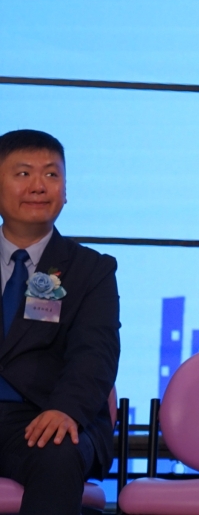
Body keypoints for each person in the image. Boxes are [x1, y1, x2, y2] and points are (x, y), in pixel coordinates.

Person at [0, 129, 120, 515]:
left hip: (46, 414)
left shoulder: (92, 269)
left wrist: (66, 408)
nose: (38, 186)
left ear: (65, 191)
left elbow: (95, 354)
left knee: (58, 452)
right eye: (23, 174)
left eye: (51, 174)